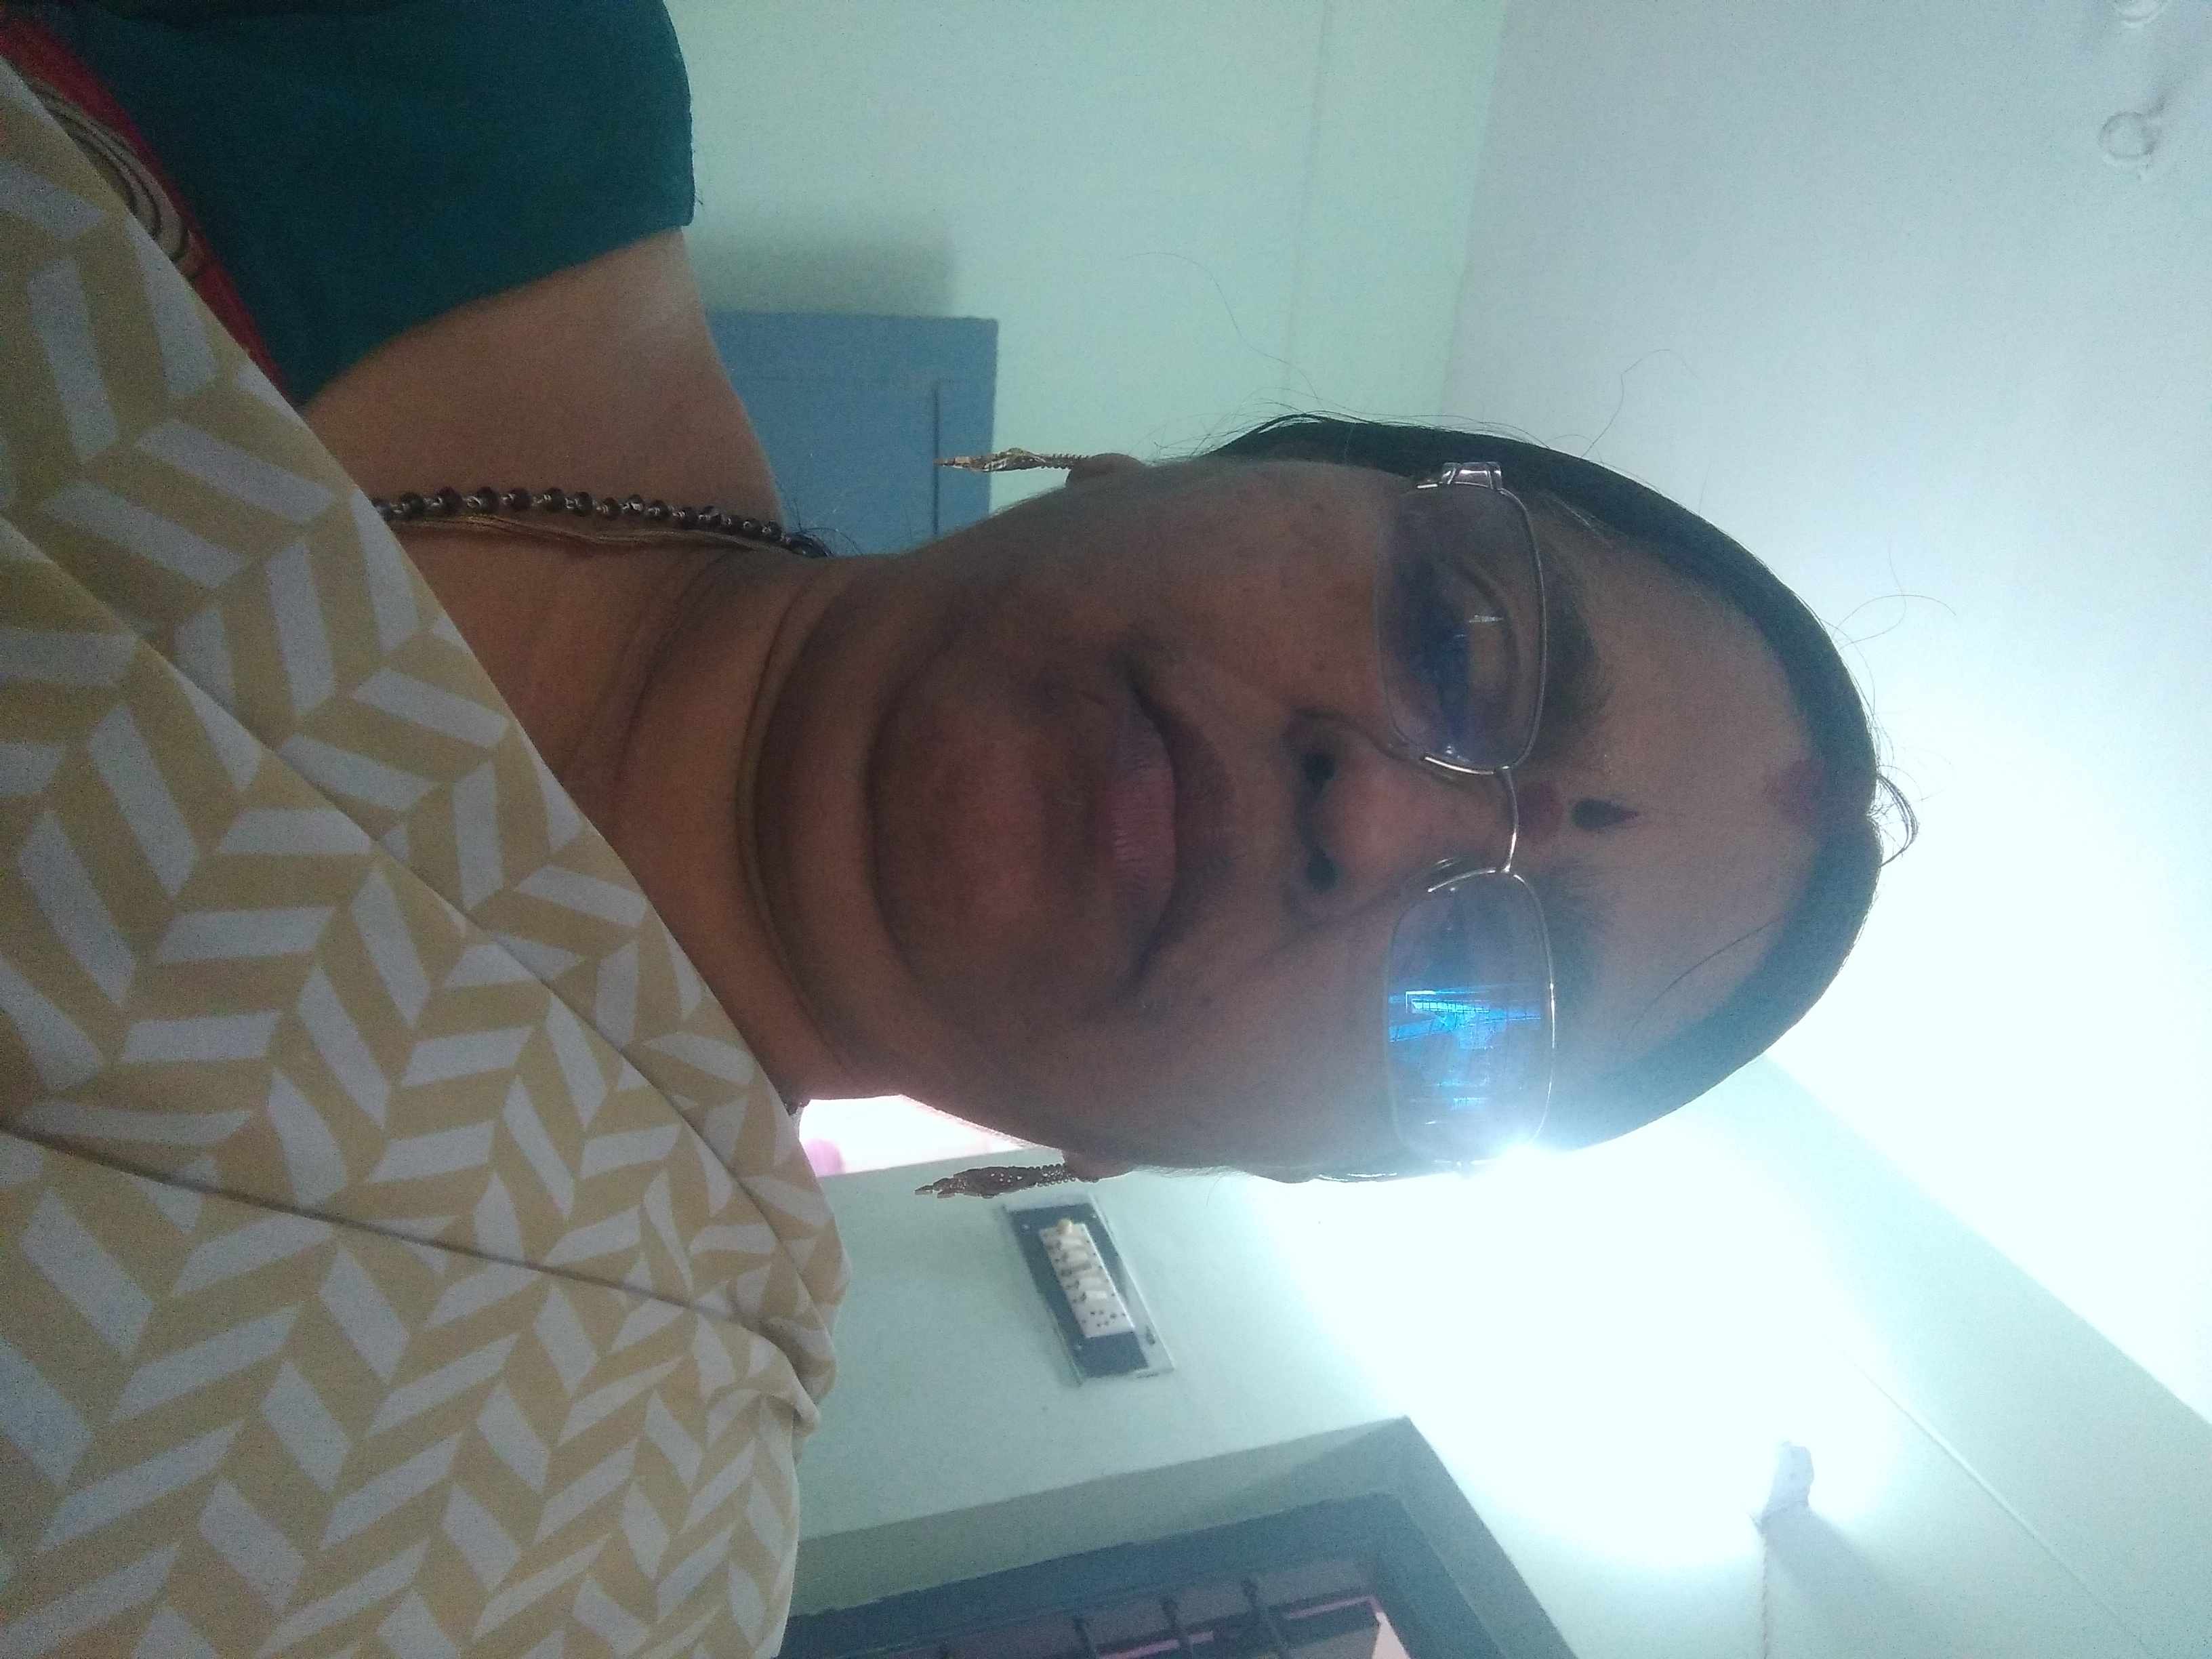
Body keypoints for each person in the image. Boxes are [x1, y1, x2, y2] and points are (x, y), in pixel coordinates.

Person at [0, 3, 1893, 1653]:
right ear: (1201, 469)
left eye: (1473, 997)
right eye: (1460, 639)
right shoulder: (492, 78)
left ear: (1231, 1162)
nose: (1374, 810)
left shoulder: (595, 1553)